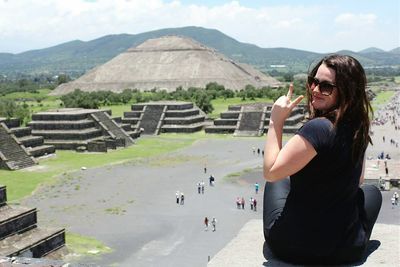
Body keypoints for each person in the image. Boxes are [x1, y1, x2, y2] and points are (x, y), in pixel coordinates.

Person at [263, 55, 382, 265]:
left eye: (326, 86)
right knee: (372, 193)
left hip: (292, 248)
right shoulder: (359, 126)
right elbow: (359, 180)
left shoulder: (318, 128)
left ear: (347, 90)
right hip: (346, 250)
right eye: (313, 81)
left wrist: (276, 121)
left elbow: (271, 172)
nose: (315, 90)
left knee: (278, 182)